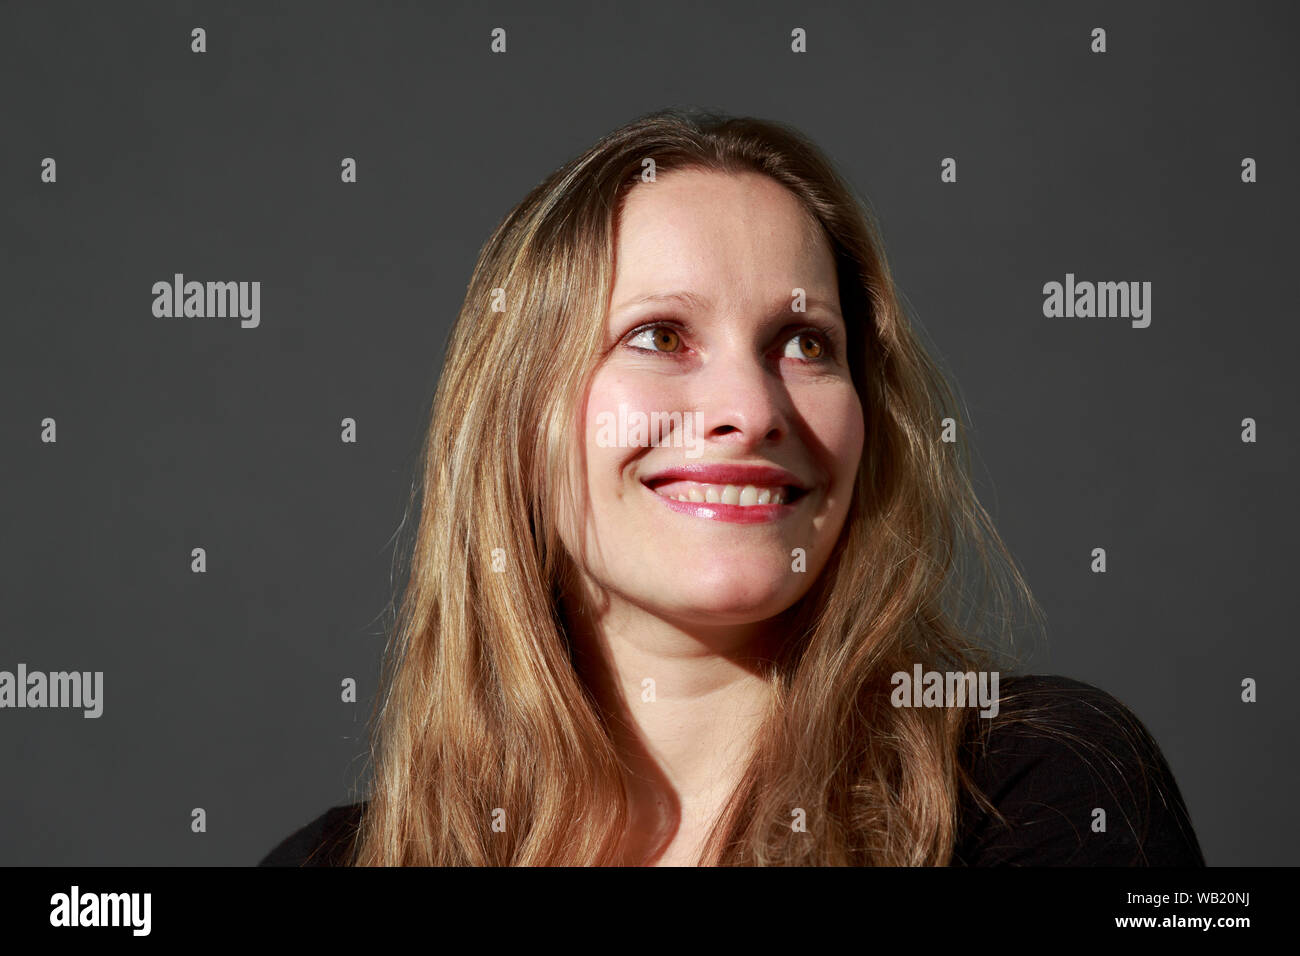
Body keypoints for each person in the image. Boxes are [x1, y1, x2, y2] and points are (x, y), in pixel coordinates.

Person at [260, 107, 1203, 866]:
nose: (750, 409)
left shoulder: (1038, 785)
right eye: (660, 336)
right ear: (518, 419)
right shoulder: (340, 859)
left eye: (805, 344)